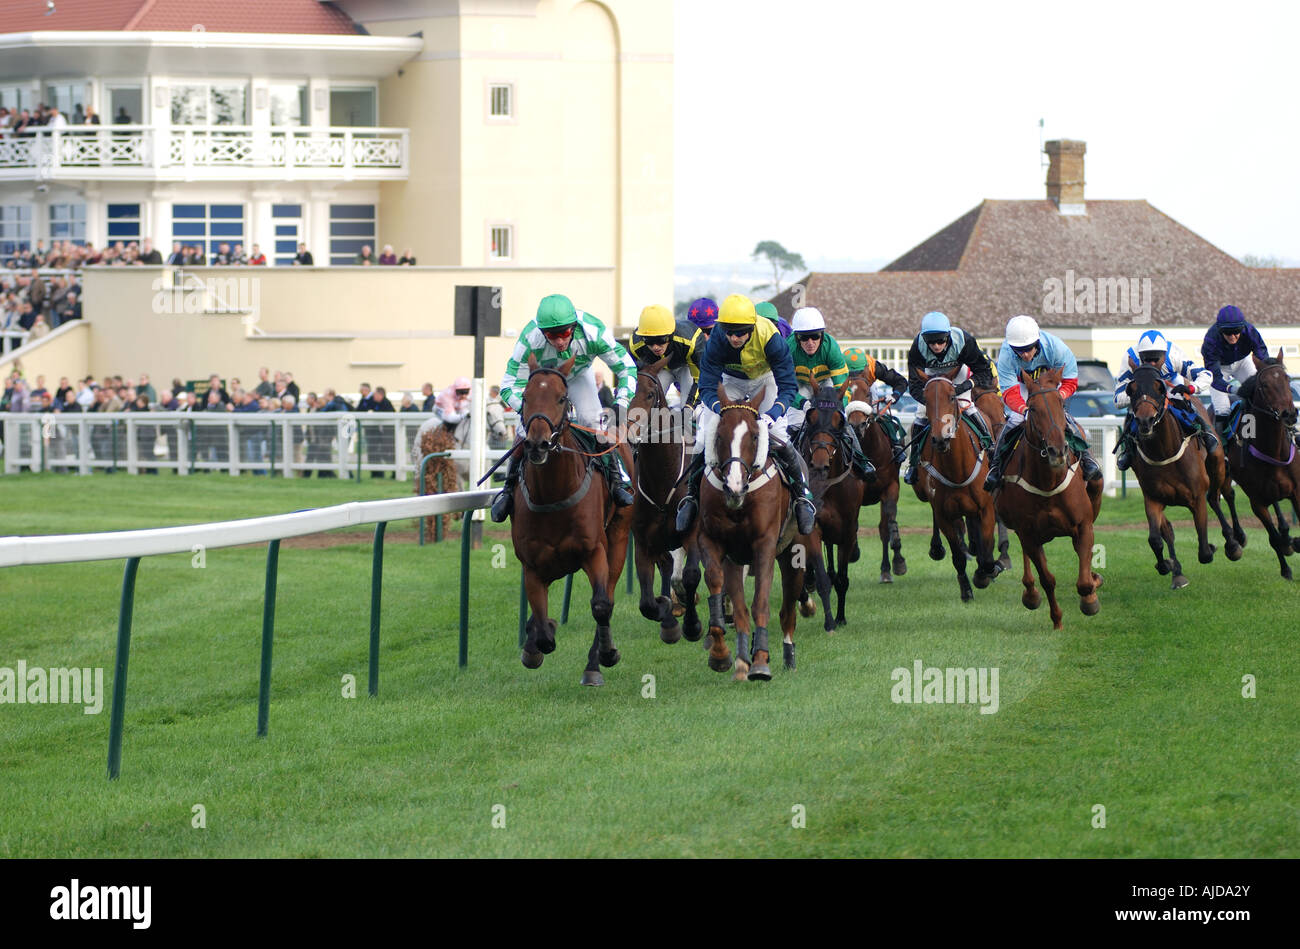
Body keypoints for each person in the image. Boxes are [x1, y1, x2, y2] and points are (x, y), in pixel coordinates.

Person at [673, 293, 817, 535]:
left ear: (751, 327)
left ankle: (801, 497)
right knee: (704, 435)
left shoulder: (771, 338)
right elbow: (707, 385)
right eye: (729, 332)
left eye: (740, 332)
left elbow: (788, 386)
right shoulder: (718, 339)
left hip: (765, 379)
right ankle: (690, 498)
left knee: (779, 434)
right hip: (731, 381)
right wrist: (720, 410)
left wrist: (773, 413)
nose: (734, 337)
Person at [490, 293, 636, 522]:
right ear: (542, 332)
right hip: (541, 382)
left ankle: (617, 480)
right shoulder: (529, 338)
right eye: (551, 335)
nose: (559, 341)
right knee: (525, 430)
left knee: (593, 421)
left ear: (574, 327)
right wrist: (526, 411)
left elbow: (627, 368)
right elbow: (508, 386)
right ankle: (508, 490)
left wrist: (622, 403)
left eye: (565, 333)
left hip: (577, 376)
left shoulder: (594, 331)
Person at [983, 315, 1103, 492]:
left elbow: (1070, 381)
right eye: (1019, 349)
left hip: (1051, 387)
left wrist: (1057, 399)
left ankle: (1087, 459)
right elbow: (1009, 392)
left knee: (1063, 417)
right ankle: (996, 466)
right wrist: (1025, 410)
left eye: (1028, 348)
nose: (1024, 354)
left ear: (1037, 342)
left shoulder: (1057, 348)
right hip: (1024, 387)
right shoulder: (1007, 354)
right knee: (1015, 420)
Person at [902, 311, 997, 486]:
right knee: (921, 414)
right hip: (931, 377)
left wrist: (965, 386)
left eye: (940, 341)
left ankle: (991, 451)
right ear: (924, 339)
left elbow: (984, 372)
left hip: (957, 374)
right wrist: (933, 404)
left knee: (967, 406)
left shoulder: (964, 341)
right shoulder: (917, 348)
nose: (936, 346)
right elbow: (914, 386)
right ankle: (914, 464)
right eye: (931, 342)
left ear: (948, 336)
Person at [785, 306, 875, 480]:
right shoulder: (788, 348)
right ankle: (790, 466)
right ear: (796, 337)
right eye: (804, 337)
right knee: (794, 422)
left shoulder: (831, 347)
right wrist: (803, 404)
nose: (810, 342)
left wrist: (837, 406)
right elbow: (786, 387)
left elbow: (842, 386)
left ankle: (861, 460)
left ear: (822, 335)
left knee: (840, 420)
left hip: (826, 381)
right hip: (798, 383)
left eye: (815, 336)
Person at [1113, 329, 1215, 470]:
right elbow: (1117, 400)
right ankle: (1129, 450)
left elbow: (1206, 375)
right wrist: (1137, 393)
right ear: (1140, 356)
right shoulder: (1130, 357)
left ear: (1164, 355)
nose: (1152, 363)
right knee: (1134, 413)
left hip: (1169, 386)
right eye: (1147, 359)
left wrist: (1192, 388)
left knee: (1186, 404)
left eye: (1156, 359)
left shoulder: (1174, 354)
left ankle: (1205, 433)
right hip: (1144, 394)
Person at [1201, 304, 1270, 437]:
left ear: (1242, 327)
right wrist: (1232, 389)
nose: (1232, 336)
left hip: (1242, 362)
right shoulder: (1211, 339)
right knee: (1222, 409)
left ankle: (1285, 430)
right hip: (1219, 368)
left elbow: (1262, 357)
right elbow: (1215, 378)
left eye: (1236, 331)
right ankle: (1222, 448)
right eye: (1227, 333)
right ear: (1220, 330)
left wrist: (1266, 373)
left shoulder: (1250, 331)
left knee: (1261, 392)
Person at [843, 346, 908, 465]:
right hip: (846, 389)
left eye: (858, 373)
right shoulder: (837, 368)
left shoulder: (875, 367)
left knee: (883, 417)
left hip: (868, 387)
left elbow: (901, 381)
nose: (855, 377)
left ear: (866, 368)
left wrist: (894, 395)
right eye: (851, 374)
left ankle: (895, 445)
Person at [627, 303, 702, 405]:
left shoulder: (691, 341)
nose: (655, 347)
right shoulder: (636, 345)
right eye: (648, 340)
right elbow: (626, 374)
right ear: (642, 338)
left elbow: (700, 379)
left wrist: (690, 406)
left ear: (671, 335)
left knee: (689, 410)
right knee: (649, 403)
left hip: (686, 368)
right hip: (659, 370)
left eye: (660, 339)